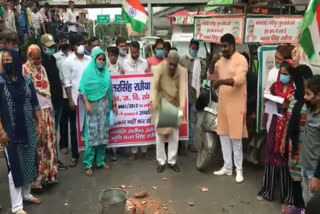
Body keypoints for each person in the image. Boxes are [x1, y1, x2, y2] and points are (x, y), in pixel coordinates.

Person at [0, 49, 42, 214]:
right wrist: (1, 130)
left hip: (28, 128)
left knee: (29, 161)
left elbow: (35, 103)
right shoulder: (1, 82)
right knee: (15, 167)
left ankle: (26, 193)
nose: (7, 62)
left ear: (17, 61)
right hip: (10, 131)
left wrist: (39, 123)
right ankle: (17, 206)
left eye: (10, 59)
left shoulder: (26, 81)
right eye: (4, 60)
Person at [257, 60, 296, 204]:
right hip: (274, 123)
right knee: (271, 156)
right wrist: (266, 99)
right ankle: (268, 191)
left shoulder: (295, 91)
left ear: (291, 76)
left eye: (286, 74)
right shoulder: (274, 87)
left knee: (285, 158)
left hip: (287, 126)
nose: (283, 76)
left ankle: (287, 195)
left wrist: (288, 104)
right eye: (281, 73)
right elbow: (265, 101)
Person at [213, 33, 248, 183]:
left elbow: (240, 80)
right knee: (223, 136)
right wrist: (211, 64)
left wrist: (221, 81)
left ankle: (239, 170)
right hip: (223, 104)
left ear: (233, 46)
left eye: (225, 46)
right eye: (221, 46)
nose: (223, 49)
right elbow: (213, 78)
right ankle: (227, 167)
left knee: (236, 138)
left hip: (237, 104)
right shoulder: (220, 62)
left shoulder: (241, 60)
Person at [23, 44, 58, 192]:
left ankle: (49, 176)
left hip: (47, 110)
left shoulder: (42, 68)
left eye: (39, 58)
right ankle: (36, 181)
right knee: (39, 145)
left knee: (50, 143)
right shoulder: (24, 70)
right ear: (29, 57)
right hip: (35, 113)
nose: (38, 61)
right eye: (35, 58)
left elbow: (46, 88)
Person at [280, 65, 314, 212]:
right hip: (293, 146)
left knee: (305, 183)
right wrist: (283, 140)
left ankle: (304, 208)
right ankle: (297, 206)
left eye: (297, 79)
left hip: (306, 148)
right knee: (295, 178)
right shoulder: (294, 100)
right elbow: (288, 121)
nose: (295, 83)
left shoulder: (311, 104)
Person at [79, 48, 117, 176]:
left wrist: (114, 105)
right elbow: (82, 89)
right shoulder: (88, 73)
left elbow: (110, 90)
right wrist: (87, 103)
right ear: (94, 59)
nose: (101, 62)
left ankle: (100, 161)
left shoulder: (106, 73)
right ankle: (88, 164)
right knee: (91, 137)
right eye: (98, 59)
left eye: (102, 59)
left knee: (103, 135)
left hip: (104, 109)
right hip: (92, 110)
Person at [151, 50, 186, 173]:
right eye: (170, 64)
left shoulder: (182, 71)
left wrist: (181, 107)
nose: (172, 67)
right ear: (166, 61)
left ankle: (172, 161)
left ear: (178, 63)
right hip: (160, 103)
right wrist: (154, 101)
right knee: (159, 135)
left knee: (174, 135)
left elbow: (182, 90)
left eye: (174, 65)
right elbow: (154, 86)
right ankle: (161, 161)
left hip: (174, 104)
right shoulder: (159, 68)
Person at [40, 34, 67, 170]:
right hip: (50, 103)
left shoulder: (52, 59)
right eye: (49, 46)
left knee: (55, 133)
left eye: (52, 46)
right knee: (51, 133)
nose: (51, 48)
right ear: (43, 47)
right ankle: (52, 161)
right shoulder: (42, 62)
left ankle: (55, 160)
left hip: (58, 100)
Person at [63, 43, 91, 167]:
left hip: (89, 98)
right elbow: (67, 82)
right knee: (75, 128)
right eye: (79, 43)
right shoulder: (68, 61)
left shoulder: (90, 60)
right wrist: (70, 99)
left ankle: (91, 153)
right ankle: (75, 155)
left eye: (83, 43)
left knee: (90, 126)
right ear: (73, 46)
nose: (81, 46)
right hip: (75, 98)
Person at [123, 41, 149, 159]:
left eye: (136, 52)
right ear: (130, 51)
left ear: (139, 51)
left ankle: (144, 151)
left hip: (142, 99)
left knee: (143, 122)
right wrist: (121, 74)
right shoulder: (125, 63)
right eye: (132, 52)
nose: (134, 54)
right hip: (130, 100)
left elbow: (149, 79)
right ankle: (133, 152)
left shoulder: (145, 62)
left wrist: (149, 73)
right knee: (133, 123)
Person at [180, 39, 206, 153]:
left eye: (196, 49)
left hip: (193, 96)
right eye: (193, 48)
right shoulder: (182, 60)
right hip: (182, 96)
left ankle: (190, 143)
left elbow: (203, 77)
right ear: (189, 47)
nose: (194, 50)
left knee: (192, 122)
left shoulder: (200, 62)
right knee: (181, 121)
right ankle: (181, 144)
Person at [300, 75, 320, 203]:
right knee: (306, 204)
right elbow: (298, 76)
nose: (305, 97)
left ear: (318, 96)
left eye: (308, 94)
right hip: (305, 166)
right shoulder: (311, 108)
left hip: (315, 171)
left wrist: (317, 177)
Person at [54, 32, 73, 156]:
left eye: (64, 40)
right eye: (60, 40)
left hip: (73, 92)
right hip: (61, 92)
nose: (63, 42)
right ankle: (63, 145)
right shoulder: (55, 57)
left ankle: (77, 144)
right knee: (63, 121)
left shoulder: (72, 55)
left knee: (74, 121)